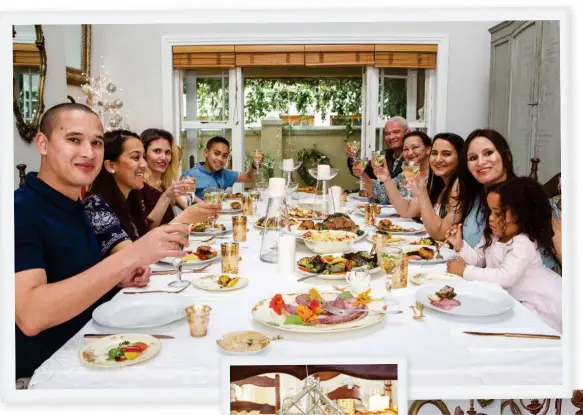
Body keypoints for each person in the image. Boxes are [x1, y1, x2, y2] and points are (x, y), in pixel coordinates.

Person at [14, 103, 190, 384]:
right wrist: (130, 258)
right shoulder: (19, 210)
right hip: (46, 375)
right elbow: (30, 316)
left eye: (96, 142)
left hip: (98, 350)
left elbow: (78, 279)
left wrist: (118, 278)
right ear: (42, 144)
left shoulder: (77, 207)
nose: (88, 152)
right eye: (74, 140)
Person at [446, 177, 562, 332]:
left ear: (521, 215)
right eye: (490, 211)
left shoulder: (523, 243)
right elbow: (478, 259)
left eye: (499, 213)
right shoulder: (493, 236)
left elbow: (505, 277)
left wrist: (464, 271)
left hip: (539, 300)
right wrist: (460, 245)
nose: (491, 218)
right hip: (517, 298)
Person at [84, 129, 221, 258]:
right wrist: (183, 218)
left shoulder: (129, 196)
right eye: (136, 158)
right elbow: (130, 258)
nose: (144, 164)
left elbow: (144, 234)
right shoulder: (96, 205)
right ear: (110, 166)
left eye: (143, 157)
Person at [455, 128, 561, 268]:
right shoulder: (474, 198)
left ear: (507, 156)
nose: (480, 162)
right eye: (473, 158)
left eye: (488, 153)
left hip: (526, 285)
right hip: (480, 282)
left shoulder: (527, 198)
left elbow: (566, 257)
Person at [372, 132, 464, 241]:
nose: (438, 159)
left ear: (460, 157)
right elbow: (406, 211)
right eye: (435, 153)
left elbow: (441, 235)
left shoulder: (458, 185)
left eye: (446, 154)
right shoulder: (435, 181)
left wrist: (422, 193)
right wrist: (386, 179)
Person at [140, 128, 190, 226]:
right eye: (157, 151)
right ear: (144, 154)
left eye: (167, 152)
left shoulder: (163, 184)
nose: (163, 157)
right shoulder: (139, 187)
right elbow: (146, 231)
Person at [181, 136, 257, 200]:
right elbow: (181, 202)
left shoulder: (225, 173)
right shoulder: (190, 175)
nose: (220, 159)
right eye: (216, 153)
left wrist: (255, 164)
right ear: (206, 152)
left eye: (224, 156)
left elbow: (248, 177)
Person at [371, 131, 432, 202]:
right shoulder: (405, 174)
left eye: (415, 147)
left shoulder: (436, 176)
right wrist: (386, 178)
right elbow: (382, 197)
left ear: (428, 149)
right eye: (406, 149)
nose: (410, 153)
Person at [348, 117, 409, 183]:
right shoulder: (384, 155)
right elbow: (365, 171)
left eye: (396, 132)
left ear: (407, 132)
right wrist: (353, 155)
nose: (391, 137)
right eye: (387, 133)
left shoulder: (413, 157)